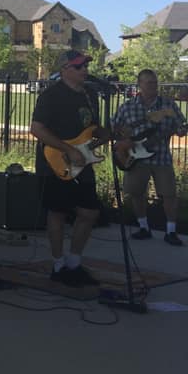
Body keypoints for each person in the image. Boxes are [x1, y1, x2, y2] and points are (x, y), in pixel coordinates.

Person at [30, 49, 108, 287]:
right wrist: (67, 149)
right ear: (64, 69)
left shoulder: (90, 95)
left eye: (86, 66)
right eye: (79, 66)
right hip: (55, 162)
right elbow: (37, 129)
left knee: (90, 212)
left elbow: (92, 128)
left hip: (83, 162)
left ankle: (74, 263)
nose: (85, 70)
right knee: (58, 212)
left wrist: (109, 134)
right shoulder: (51, 95)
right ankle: (58, 265)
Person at [112, 69, 188, 246]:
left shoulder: (168, 105)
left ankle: (171, 231)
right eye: (149, 82)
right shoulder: (127, 107)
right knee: (136, 193)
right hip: (135, 158)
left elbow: (181, 126)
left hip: (161, 157)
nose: (153, 85)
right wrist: (124, 142)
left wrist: (181, 131)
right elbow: (113, 128)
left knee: (169, 195)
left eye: (155, 82)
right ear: (140, 84)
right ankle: (143, 227)